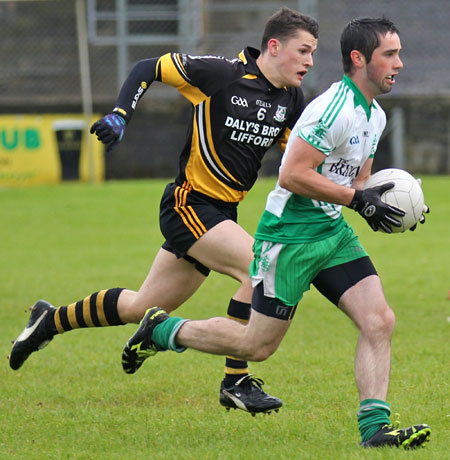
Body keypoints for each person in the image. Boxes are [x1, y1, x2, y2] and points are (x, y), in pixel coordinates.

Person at [119, 17, 431, 448]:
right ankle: (163, 330)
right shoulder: (330, 110)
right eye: (390, 55)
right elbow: (291, 175)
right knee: (256, 345)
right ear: (360, 59)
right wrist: (358, 201)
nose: (399, 63)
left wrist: (389, 205)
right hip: (290, 235)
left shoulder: (374, 116)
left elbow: (357, 184)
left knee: (379, 320)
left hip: (332, 233)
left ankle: (374, 429)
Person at [9, 8, 319, 415]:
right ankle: (236, 381)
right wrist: (121, 115)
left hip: (221, 216)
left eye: (313, 53)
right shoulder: (221, 75)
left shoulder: (291, 100)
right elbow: (147, 67)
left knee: (140, 307)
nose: (310, 62)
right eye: (304, 51)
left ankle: (48, 321)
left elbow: (296, 158)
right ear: (274, 46)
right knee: (258, 267)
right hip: (189, 205)